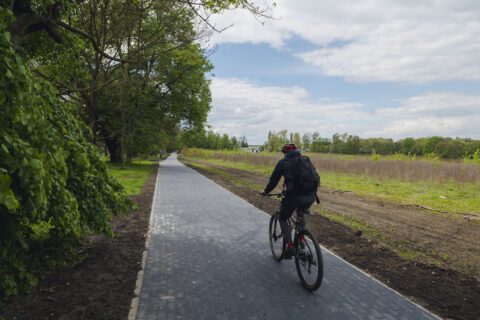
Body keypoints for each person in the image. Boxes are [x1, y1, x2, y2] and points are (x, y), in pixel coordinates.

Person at [261, 143, 318, 259]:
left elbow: (273, 181)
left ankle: (290, 245)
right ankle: (301, 239)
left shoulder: (283, 163)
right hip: (311, 196)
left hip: (294, 197)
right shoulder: (306, 160)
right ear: (296, 151)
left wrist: (266, 191)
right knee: (300, 214)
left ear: (285, 153)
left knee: (282, 217)